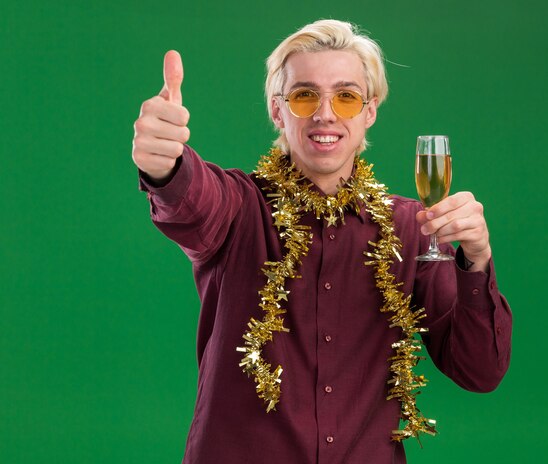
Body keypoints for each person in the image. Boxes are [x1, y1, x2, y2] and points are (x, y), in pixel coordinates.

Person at [132, 19, 512, 464]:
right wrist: (165, 165)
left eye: (346, 96)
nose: (325, 113)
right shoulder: (238, 206)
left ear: (369, 111)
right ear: (278, 110)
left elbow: (479, 369)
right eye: (304, 95)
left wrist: (477, 260)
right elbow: (194, 200)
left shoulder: (414, 228)